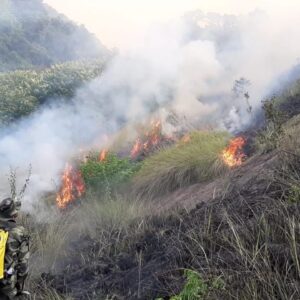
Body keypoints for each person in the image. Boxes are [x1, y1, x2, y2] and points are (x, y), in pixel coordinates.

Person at [0, 198, 30, 299]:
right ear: (14, 214)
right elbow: (23, 267)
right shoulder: (19, 232)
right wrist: (19, 289)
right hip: (5, 284)